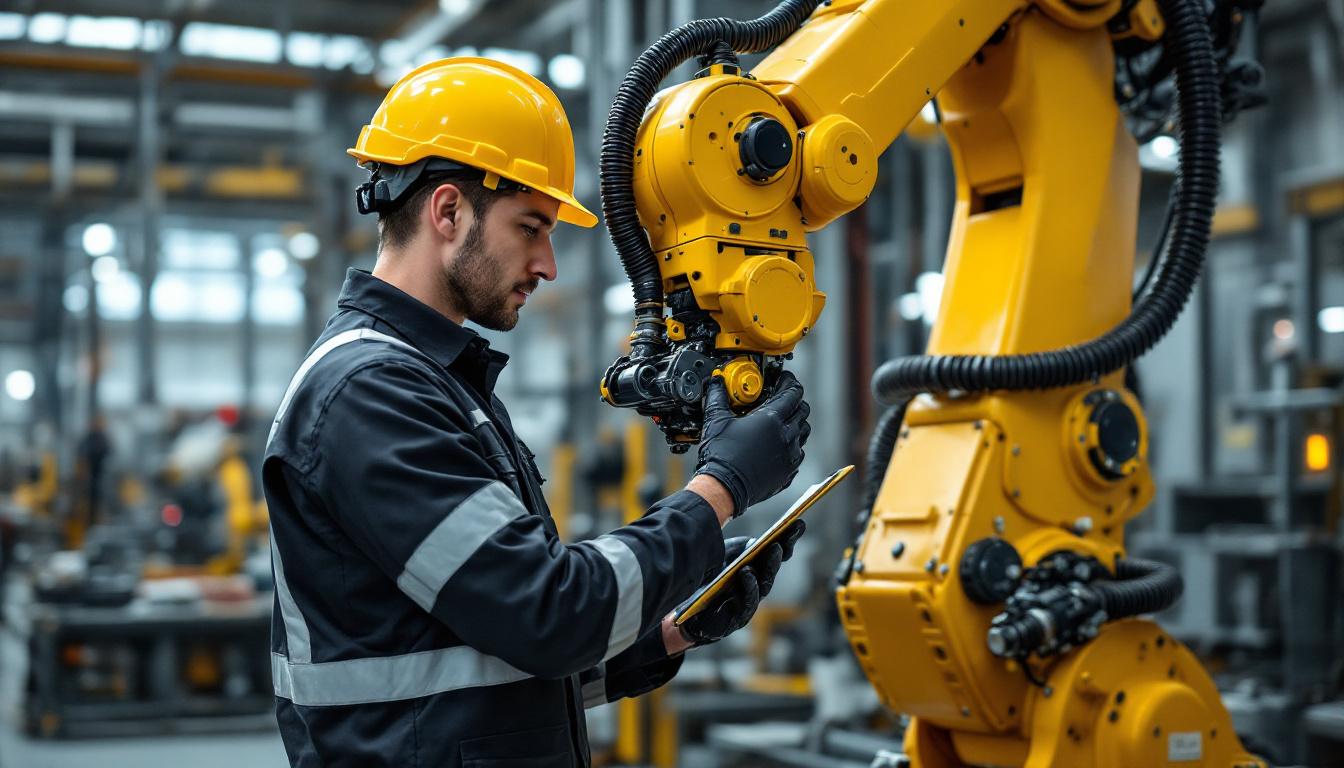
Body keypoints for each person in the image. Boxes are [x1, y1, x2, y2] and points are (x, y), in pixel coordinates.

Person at [263, 58, 812, 767]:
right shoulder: (371, 393)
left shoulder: (435, 383)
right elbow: (550, 616)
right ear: (448, 212)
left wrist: (671, 628)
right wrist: (720, 490)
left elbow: (488, 658)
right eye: (530, 227)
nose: (548, 264)